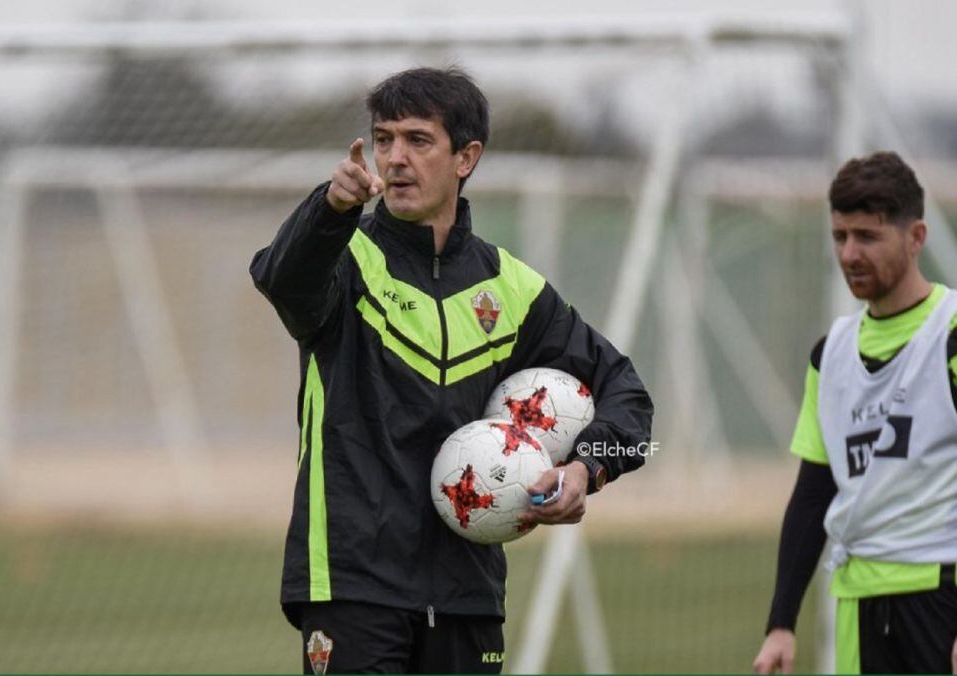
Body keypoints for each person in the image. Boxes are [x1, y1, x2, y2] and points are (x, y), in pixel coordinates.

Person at [249, 66, 653, 674]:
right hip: (354, 585)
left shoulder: (510, 288)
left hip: (469, 594)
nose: (396, 158)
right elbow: (281, 280)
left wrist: (588, 469)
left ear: (466, 157)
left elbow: (632, 399)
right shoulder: (345, 257)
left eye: (418, 140)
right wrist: (330, 209)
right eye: (384, 139)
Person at [753, 151, 957, 675]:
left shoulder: (950, 334)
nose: (849, 253)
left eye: (867, 236)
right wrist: (781, 622)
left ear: (916, 237)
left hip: (941, 594)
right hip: (857, 599)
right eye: (840, 236)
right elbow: (814, 491)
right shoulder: (831, 354)